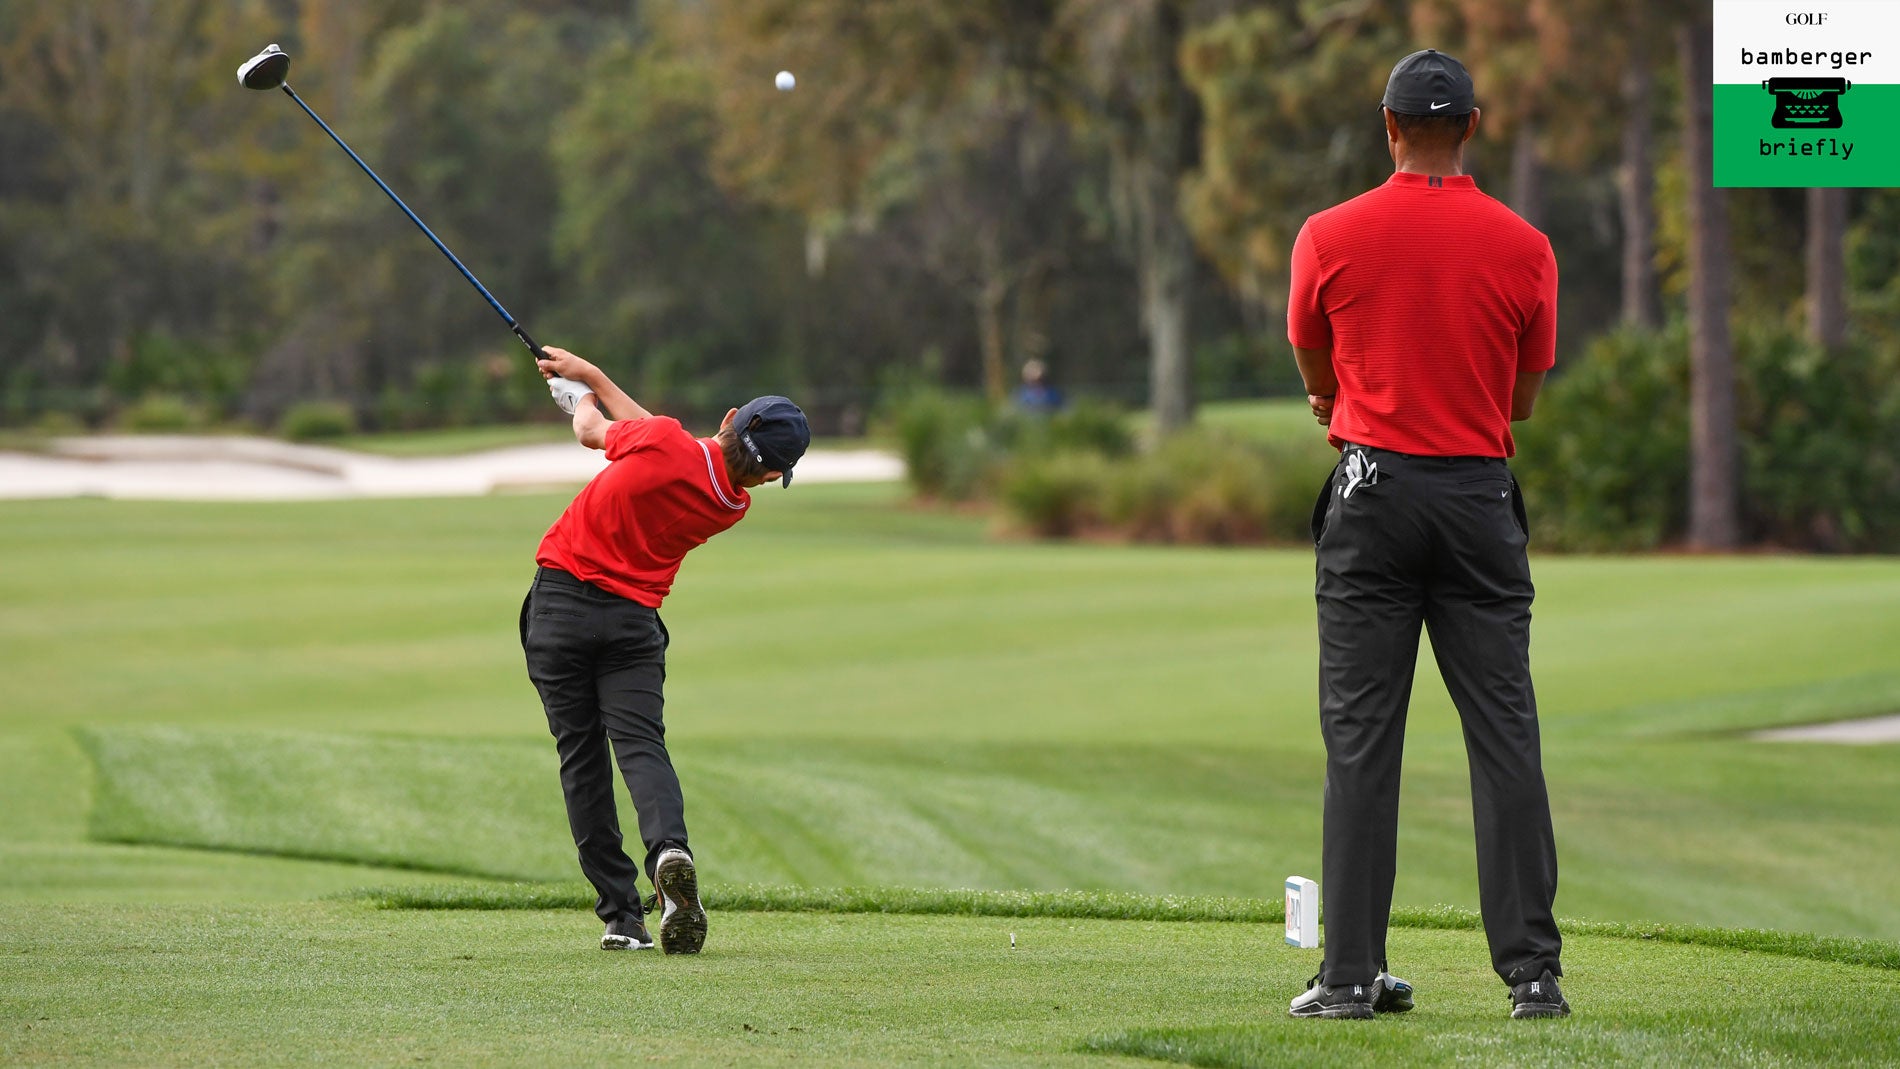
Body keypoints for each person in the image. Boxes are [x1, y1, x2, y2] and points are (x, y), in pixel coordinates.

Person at [1283, 49, 1567, 1020]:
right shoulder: (1526, 246)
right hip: (1478, 501)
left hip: (1371, 497)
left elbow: (1313, 363)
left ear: (1388, 125)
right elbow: (1520, 400)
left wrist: (1343, 402)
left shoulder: (1327, 234)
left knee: (1361, 742)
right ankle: (1532, 975)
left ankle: (1350, 976)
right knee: (1505, 737)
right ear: (1474, 127)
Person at [521, 346, 810, 954]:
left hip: (561, 609)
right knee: (640, 745)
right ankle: (669, 850)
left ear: (729, 417)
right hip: (631, 625)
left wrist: (580, 396)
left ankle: (622, 917)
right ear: (765, 477)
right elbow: (659, 441)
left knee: (582, 758)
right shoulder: (732, 504)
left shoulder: (666, 441)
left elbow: (594, 432)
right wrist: (591, 377)